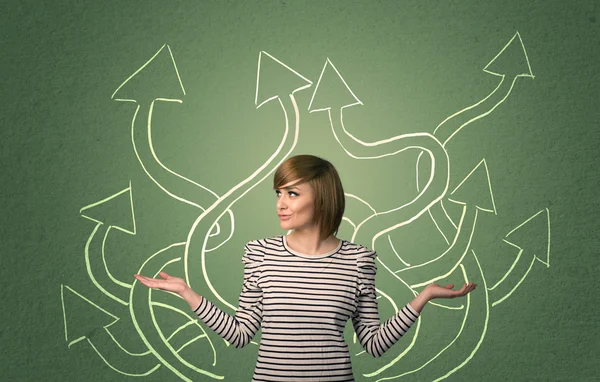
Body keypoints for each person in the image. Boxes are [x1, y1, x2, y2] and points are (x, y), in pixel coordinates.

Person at [134, 154, 477, 381]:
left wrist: (425, 296)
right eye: (278, 193)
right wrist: (186, 292)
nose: (281, 204)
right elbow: (240, 335)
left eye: (292, 194)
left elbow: (372, 344)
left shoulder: (359, 260)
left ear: (322, 198)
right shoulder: (259, 253)